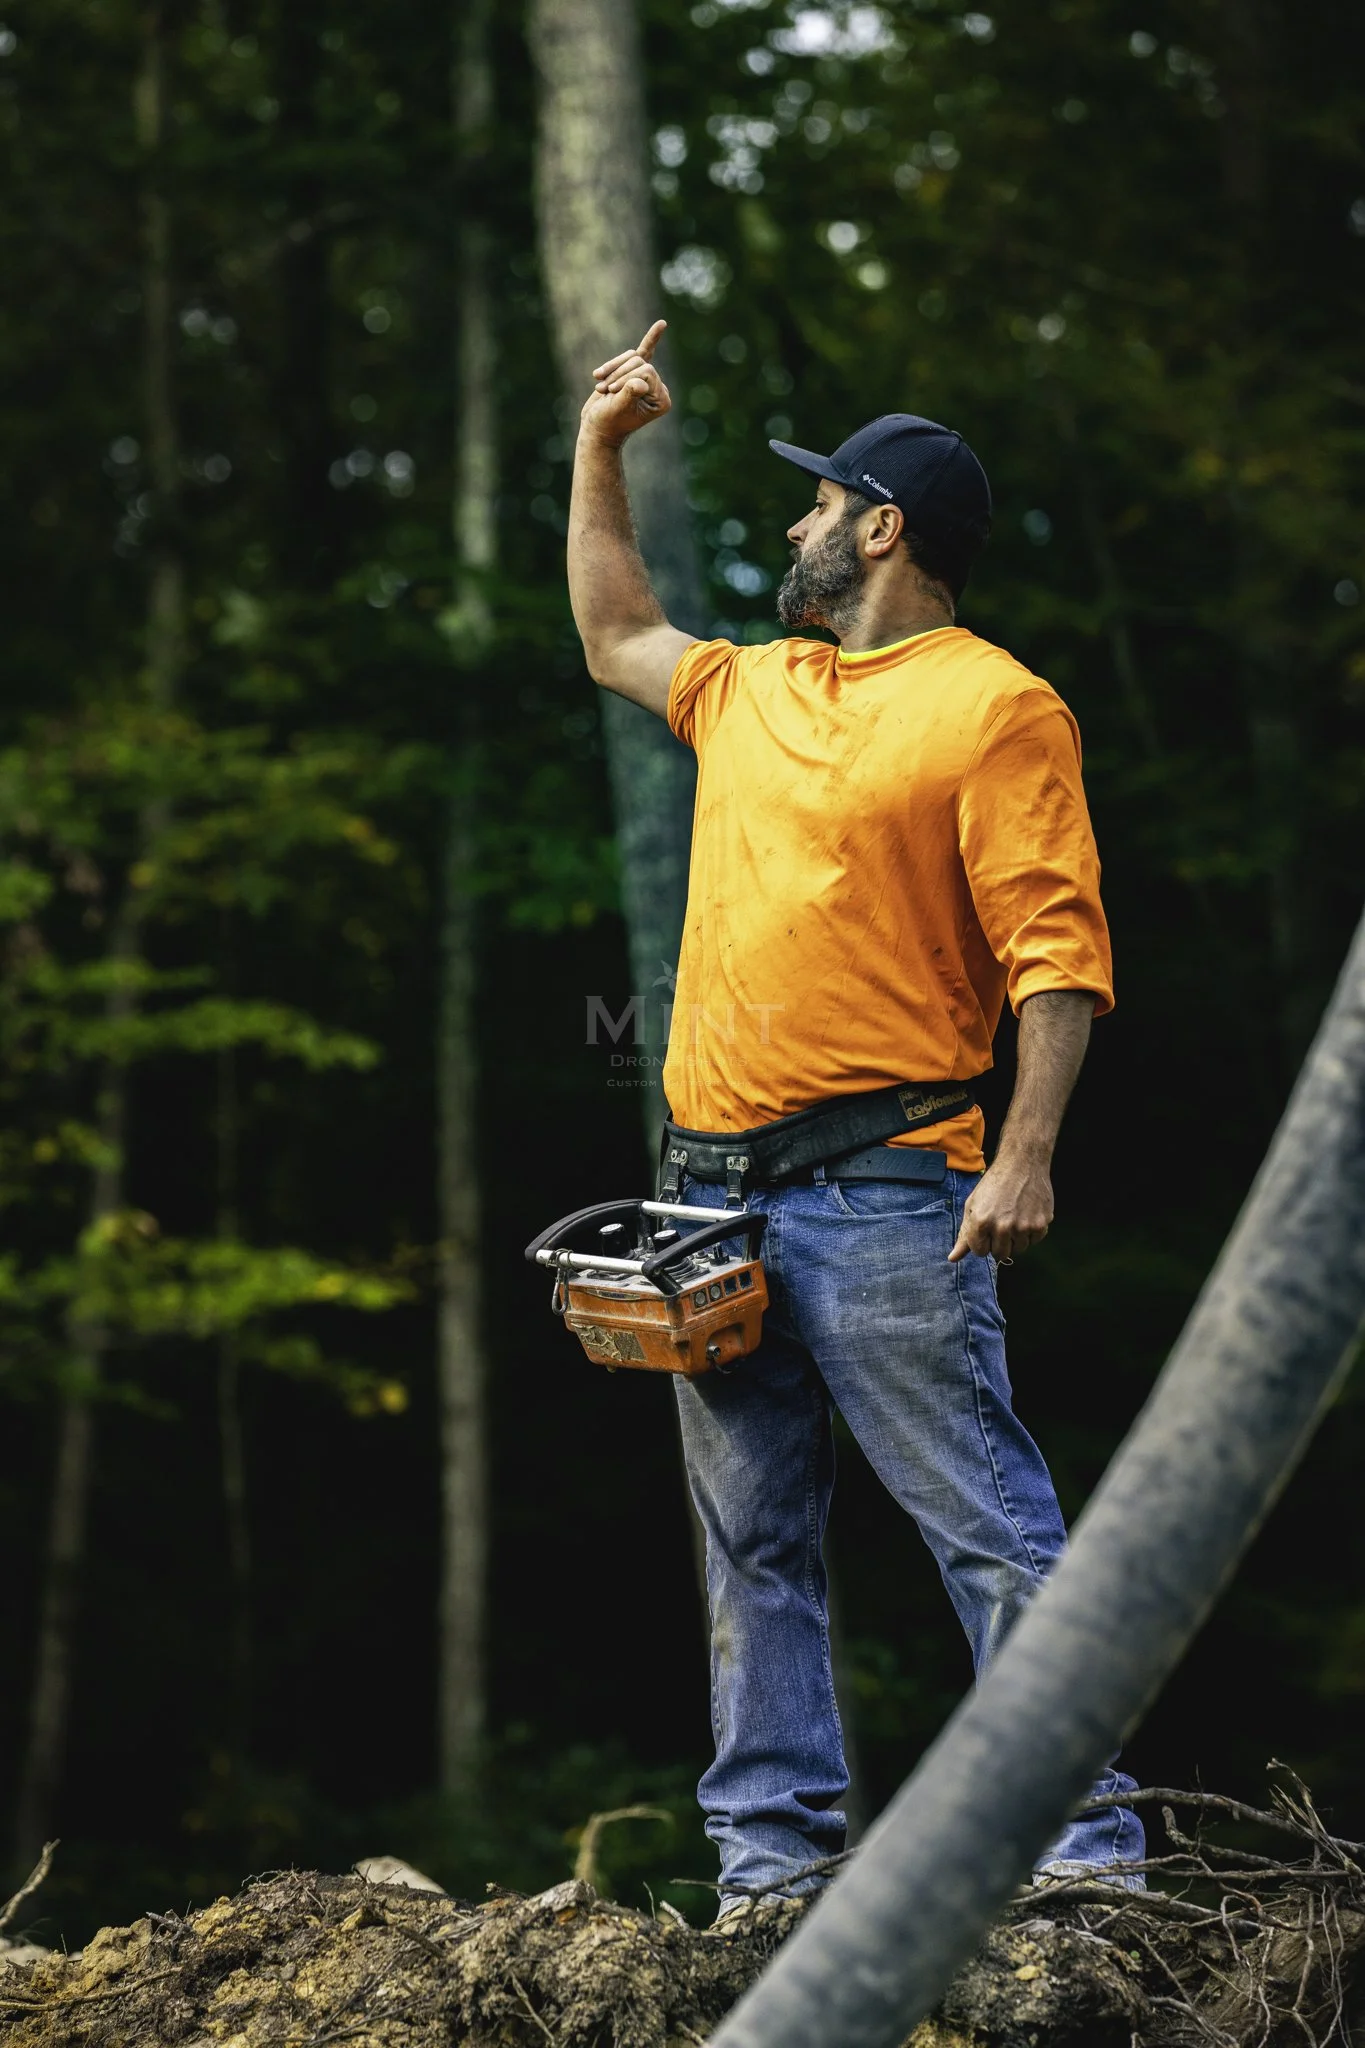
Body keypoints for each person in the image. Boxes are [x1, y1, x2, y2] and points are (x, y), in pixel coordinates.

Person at [566, 319, 1146, 1912]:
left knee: (996, 1532)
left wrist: (1024, 1154)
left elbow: (1058, 954)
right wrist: (599, 450)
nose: (798, 524)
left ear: (882, 527)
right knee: (751, 1548)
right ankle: (772, 1868)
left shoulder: (996, 708)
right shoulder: (756, 688)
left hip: (890, 1189)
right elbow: (617, 634)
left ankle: (1088, 1855)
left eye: (821, 502)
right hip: (705, 1206)